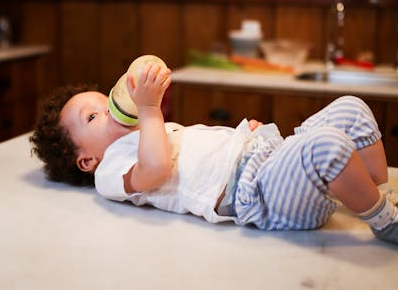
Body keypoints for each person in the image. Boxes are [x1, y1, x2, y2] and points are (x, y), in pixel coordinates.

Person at [30, 61, 398, 244]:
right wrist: (150, 108)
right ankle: (384, 221)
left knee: (351, 108)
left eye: (103, 101)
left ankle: (373, 192)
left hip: (264, 158)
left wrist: (246, 137)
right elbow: (156, 168)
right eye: (93, 116)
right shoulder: (111, 170)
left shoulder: (151, 131)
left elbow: (205, 148)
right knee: (328, 145)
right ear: (86, 160)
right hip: (260, 195)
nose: (109, 109)